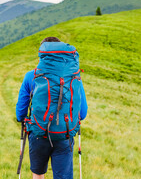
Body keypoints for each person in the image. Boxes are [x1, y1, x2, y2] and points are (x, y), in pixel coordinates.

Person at [16, 37, 88, 179]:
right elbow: (83, 113)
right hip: (65, 134)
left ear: (42, 55)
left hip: (38, 133)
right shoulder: (74, 77)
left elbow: (20, 113)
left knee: (38, 175)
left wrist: (25, 120)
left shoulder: (31, 76)